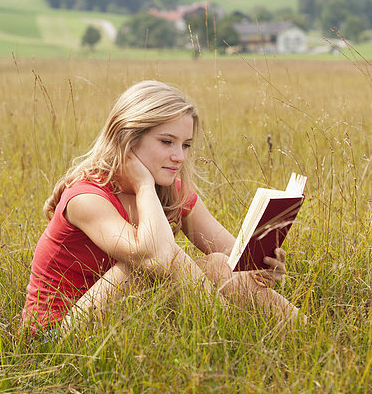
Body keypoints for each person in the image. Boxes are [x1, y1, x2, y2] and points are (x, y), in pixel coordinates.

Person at [22, 80, 304, 333]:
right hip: (58, 333)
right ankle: (226, 333)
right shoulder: (86, 198)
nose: (179, 156)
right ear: (127, 139)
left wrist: (263, 268)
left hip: (118, 324)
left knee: (219, 265)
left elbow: (232, 258)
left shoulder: (170, 191)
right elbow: (156, 258)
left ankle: (302, 330)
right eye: (167, 142)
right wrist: (143, 184)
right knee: (154, 260)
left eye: (186, 145)